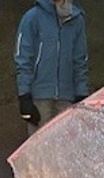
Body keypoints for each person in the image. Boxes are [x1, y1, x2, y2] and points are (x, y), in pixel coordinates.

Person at [14, 0, 89, 135]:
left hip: (67, 98)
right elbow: (23, 58)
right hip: (39, 97)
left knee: (65, 149)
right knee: (38, 150)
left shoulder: (77, 19)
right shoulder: (32, 17)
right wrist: (24, 95)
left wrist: (81, 94)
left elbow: (80, 59)